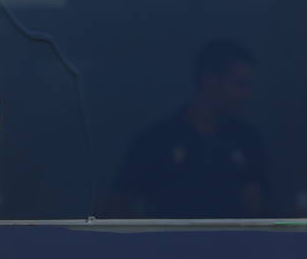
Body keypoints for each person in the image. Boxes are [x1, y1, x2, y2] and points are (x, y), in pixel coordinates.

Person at [104, 39, 269, 218]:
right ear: (209, 80)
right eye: (239, 84)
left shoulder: (247, 141)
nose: (246, 94)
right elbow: (118, 204)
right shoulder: (158, 141)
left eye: (248, 85)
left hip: (234, 244)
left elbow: (260, 210)